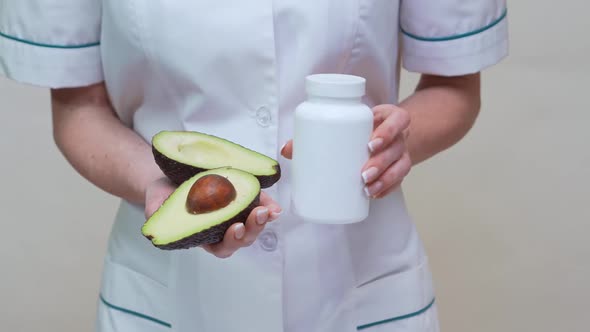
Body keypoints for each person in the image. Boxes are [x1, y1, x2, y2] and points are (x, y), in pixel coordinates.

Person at [0, 1, 508, 331]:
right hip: (168, 295)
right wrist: (157, 185)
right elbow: (77, 108)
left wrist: (399, 141)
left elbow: (454, 85)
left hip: (358, 286)